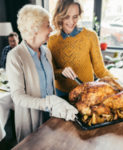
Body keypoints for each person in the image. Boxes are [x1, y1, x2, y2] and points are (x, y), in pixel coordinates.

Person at [6, 4, 78, 142]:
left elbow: (47, 81)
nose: (51, 29)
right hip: (31, 121)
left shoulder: (46, 52)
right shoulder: (15, 56)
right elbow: (18, 97)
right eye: (47, 25)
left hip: (52, 116)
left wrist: (62, 73)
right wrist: (48, 103)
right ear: (35, 29)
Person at [47, 0, 113, 99]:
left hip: (86, 93)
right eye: (66, 16)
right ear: (59, 15)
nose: (71, 22)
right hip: (62, 95)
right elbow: (50, 73)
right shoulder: (52, 40)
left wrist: (118, 84)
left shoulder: (90, 36)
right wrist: (62, 72)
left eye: (75, 16)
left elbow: (100, 70)